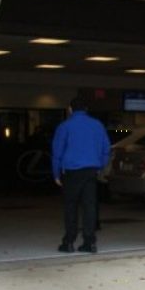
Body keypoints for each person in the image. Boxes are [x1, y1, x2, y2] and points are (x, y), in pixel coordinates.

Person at [52, 97, 110, 253]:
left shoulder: (65, 126)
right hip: (91, 170)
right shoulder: (97, 125)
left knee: (71, 207)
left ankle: (69, 242)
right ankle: (89, 243)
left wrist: (56, 173)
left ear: (70, 109)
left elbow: (57, 152)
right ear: (86, 109)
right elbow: (106, 149)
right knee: (89, 207)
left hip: (71, 172)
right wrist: (100, 166)